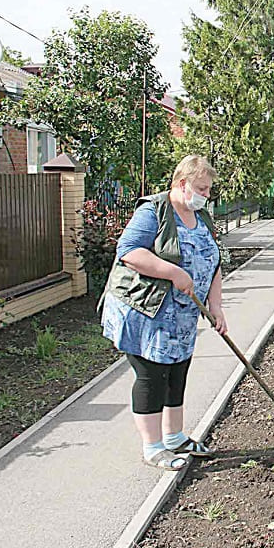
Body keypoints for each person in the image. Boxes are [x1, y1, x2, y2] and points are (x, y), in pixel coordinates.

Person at [99, 155, 227, 470]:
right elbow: (129, 252)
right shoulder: (153, 211)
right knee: (152, 376)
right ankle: (153, 447)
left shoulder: (202, 217)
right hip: (146, 313)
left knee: (177, 374)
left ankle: (174, 438)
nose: (205, 195)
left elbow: (214, 262)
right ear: (181, 183)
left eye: (208, 190)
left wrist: (216, 306)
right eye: (201, 188)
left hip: (182, 316)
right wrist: (172, 272)